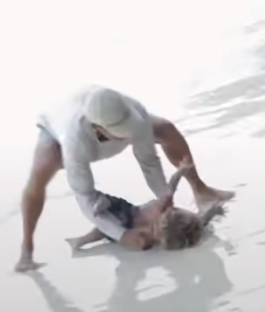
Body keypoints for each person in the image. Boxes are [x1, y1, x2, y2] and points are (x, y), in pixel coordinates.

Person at [16, 86, 234, 272]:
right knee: (40, 172)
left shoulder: (135, 114)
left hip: (94, 102)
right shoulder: (75, 144)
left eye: (130, 127)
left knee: (165, 129)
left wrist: (165, 198)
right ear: (98, 130)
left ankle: (200, 189)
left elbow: (148, 162)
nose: (131, 134)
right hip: (56, 128)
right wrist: (122, 235)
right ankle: (26, 250)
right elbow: (87, 199)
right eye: (123, 132)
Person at [64, 157, 223, 253]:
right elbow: (171, 187)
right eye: (156, 230)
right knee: (114, 213)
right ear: (171, 211)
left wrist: (129, 237)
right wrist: (181, 171)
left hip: (124, 229)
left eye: (159, 238)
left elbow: (202, 222)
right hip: (130, 213)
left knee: (106, 230)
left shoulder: (163, 237)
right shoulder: (162, 207)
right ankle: (105, 203)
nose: (155, 235)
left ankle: (81, 240)